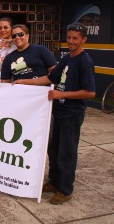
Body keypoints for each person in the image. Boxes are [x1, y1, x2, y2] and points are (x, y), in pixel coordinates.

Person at [14, 22, 96, 204]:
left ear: (84, 39)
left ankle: (66, 189)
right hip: (59, 111)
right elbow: (50, 78)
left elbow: (90, 92)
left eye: (76, 38)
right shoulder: (67, 58)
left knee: (67, 151)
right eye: (69, 37)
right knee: (54, 149)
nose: (71, 41)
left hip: (72, 113)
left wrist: (63, 93)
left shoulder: (85, 61)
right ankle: (54, 181)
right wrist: (25, 82)